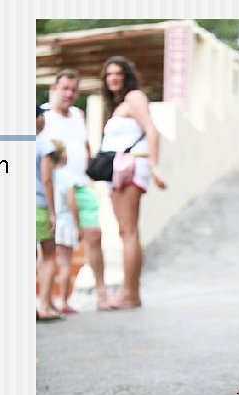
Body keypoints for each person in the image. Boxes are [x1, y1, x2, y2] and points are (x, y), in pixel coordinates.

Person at [41, 69, 113, 311]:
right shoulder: (43, 117)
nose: (69, 94)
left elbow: (85, 146)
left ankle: (101, 293)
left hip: (80, 184)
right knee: (57, 246)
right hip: (55, 187)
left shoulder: (78, 115)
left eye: (74, 90)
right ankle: (55, 300)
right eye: (65, 89)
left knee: (94, 234)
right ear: (54, 90)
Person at [99, 56, 166, 309]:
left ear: (127, 76)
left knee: (128, 232)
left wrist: (154, 166)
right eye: (109, 74)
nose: (113, 78)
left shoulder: (134, 98)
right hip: (119, 173)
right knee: (126, 231)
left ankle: (129, 293)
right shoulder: (119, 104)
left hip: (130, 170)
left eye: (118, 73)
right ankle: (130, 293)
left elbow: (152, 129)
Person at [35, 105, 61, 321]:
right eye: (40, 115)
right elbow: (46, 179)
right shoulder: (44, 144)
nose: (43, 119)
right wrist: (53, 211)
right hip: (40, 207)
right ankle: (44, 304)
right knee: (49, 256)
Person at [51, 140, 83, 314]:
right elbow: (72, 202)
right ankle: (63, 301)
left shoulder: (47, 175)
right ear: (63, 155)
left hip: (52, 221)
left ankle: (47, 300)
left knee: (46, 260)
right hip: (66, 223)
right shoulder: (67, 175)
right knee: (65, 264)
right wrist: (78, 226)